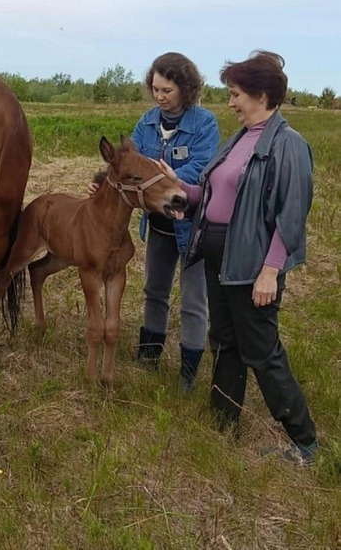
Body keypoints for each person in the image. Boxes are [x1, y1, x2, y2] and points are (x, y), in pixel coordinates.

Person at [160, 50, 317, 463]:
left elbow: (291, 215)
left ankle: (304, 442)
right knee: (225, 342)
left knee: (262, 350)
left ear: (261, 95)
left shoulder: (288, 145)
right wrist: (184, 192)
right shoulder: (240, 139)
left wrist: (271, 270)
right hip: (217, 257)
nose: (229, 103)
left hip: (250, 265)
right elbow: (214, 195)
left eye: (235, 94)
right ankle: (223, 422)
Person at [89, 52, 219, 390]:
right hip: (159, 223)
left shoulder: (204, 123)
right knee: (154, 291)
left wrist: (169, 179)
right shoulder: (147, 122)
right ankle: (149, 358)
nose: (160, 97)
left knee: (193, 300)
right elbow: (127, 164)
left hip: (193, 224)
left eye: (167, 90)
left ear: (186, 89)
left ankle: (188, 373)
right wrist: (103, 180)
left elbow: (204, 170)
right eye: (156, 89)